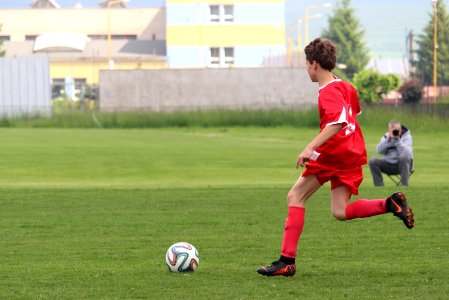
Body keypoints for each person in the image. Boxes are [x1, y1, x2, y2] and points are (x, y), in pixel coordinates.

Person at [256, 38, 414, 277]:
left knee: (295, 196)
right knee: (339, 211)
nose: (307, 69)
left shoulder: (327, 91)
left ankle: (287, 261)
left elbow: (338, 121)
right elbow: (353, 114)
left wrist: (310, 147)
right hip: (352, 153)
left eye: (307, 65)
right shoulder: (346, 86)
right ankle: (389, 204)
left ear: (315, 64)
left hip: (334, 152)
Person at [369, 120, 413, 186]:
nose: (394, 132)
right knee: (373, 161)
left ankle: (404, 185)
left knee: (404, 157)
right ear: (389, 130)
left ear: (400, 129)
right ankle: (379, 187)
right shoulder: (386, 137)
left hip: (402, 165)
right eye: (391, 130)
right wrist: (387, 141)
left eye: (396, 130)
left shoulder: (407, 137)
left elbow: (408, 153)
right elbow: (379, 151)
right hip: (388, 164)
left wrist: (398, 141)